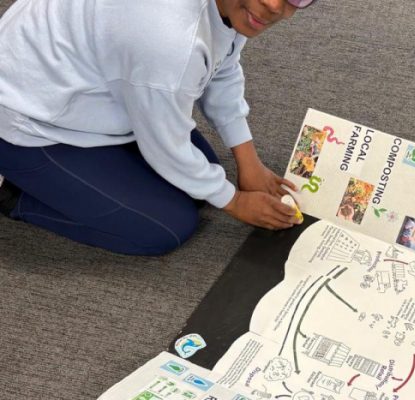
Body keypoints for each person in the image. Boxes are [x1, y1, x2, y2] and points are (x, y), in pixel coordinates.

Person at [0, 0, 316, 255]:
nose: (274, 5)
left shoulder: (232, 8)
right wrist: (234, 202)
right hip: (27, 120)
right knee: (166, 228)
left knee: (199, 185)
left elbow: (222, 63)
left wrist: (249, 162)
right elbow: (166, 146)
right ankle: (13, 194)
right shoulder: (169, 39)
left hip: (96, 89)